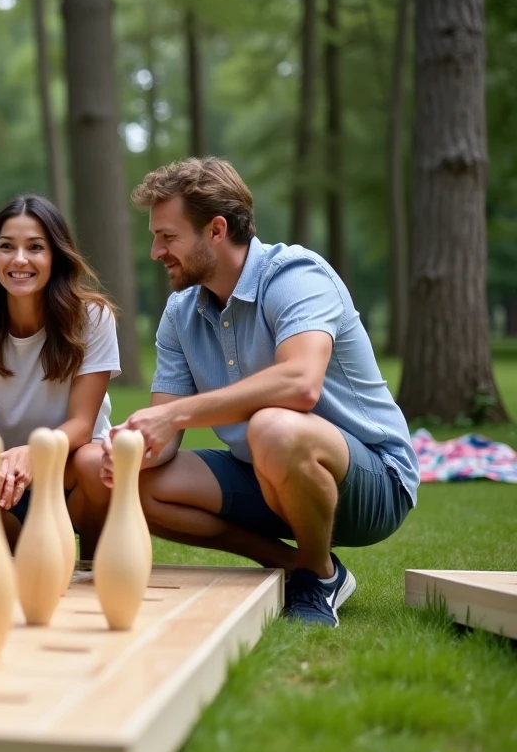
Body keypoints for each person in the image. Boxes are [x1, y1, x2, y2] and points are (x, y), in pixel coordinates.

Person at [100, 157, 418, 627]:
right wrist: (130, 449)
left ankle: (316, 570)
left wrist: (178, 415)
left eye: (167, 237)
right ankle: (296, 570)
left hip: (372, 482)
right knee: (135, 484)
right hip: (264, 473)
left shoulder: (296, 276)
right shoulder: (180, 313)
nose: (155, 252)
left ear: (216, 230)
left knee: (274, 426)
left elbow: (301, 384)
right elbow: (162, 433)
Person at [0, 194, 121, 554]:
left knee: (93, 461)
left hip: (71, 470)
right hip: (1, 479)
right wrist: (12, 463)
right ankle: (21, 556)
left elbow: (83, 425)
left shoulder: (94, 320)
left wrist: (35, 454)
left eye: (35, 247)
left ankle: (93, 558)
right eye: (7, 247)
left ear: (55, 256)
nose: (19, 259)